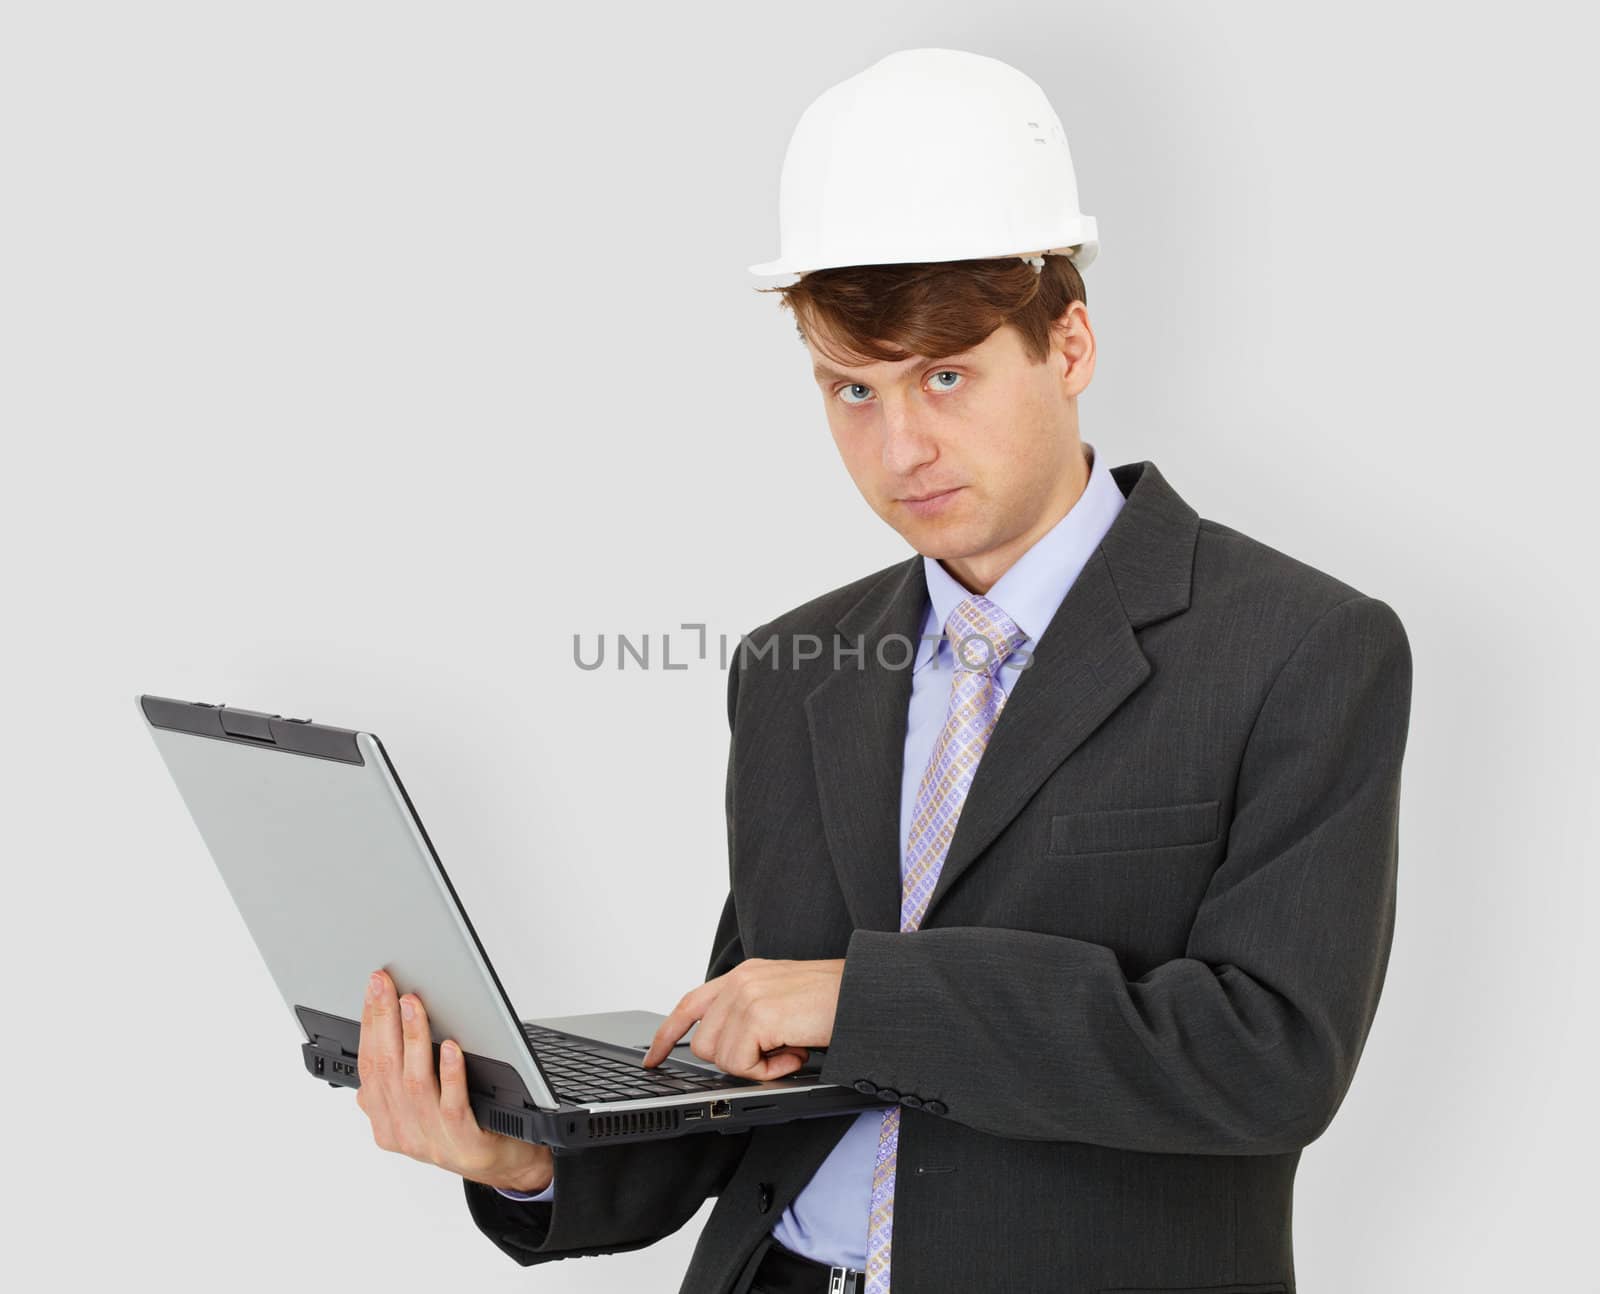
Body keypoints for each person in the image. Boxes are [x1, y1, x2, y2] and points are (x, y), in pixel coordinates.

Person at [353, 49, 1413, 1294]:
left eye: (944, 376)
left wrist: (867, 999)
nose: (899, 444)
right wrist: (518, 1156)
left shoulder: (1297, 648)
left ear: (1067, 346)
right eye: (851, 388)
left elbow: (1269, 1059)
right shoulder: (794, 669)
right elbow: (758, 1075)